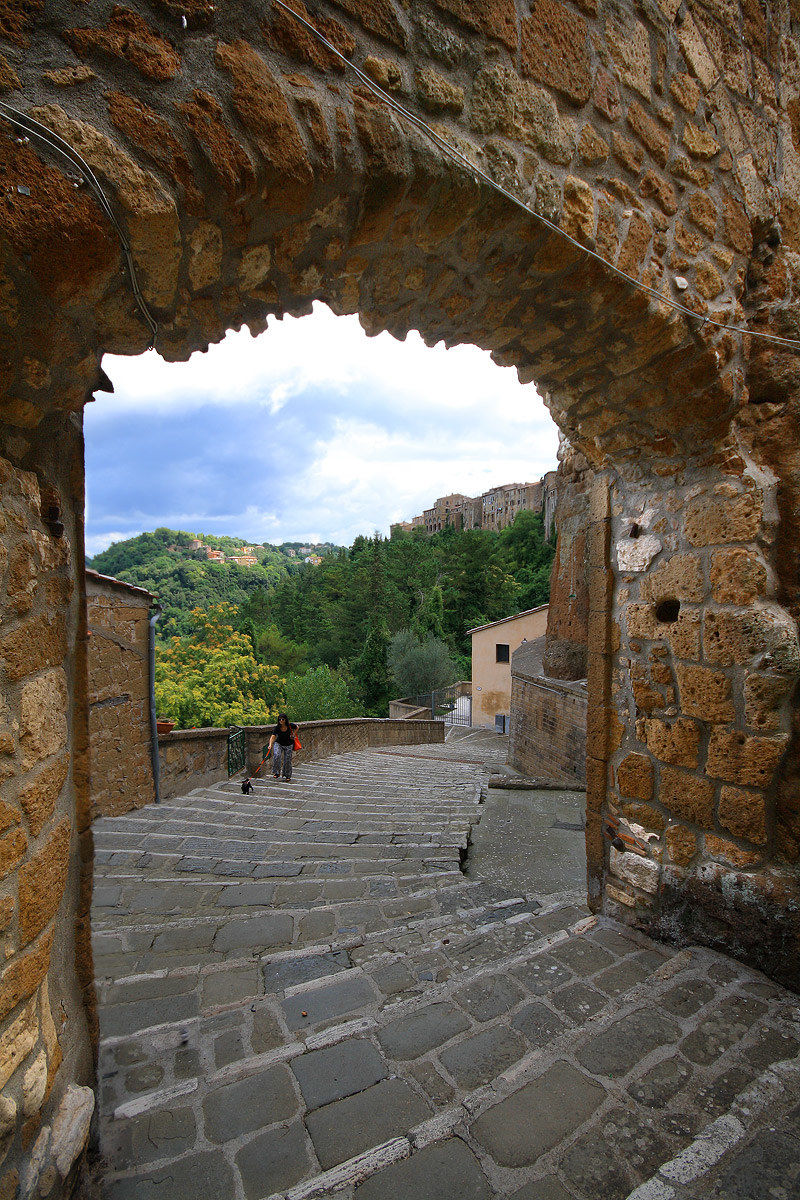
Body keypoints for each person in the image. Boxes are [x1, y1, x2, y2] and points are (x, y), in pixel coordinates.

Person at [268, 713, 299, 782]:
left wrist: (294, 734)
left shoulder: (290, 725)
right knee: (277, 755)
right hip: (279, 743)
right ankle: (277, 772)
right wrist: (270, 744)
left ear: (285, 720)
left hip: (289, 744)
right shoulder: (277, 727)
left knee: (287, 760)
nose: (281, 721)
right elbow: (273, 736)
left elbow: (297, 727)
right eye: (280, 719)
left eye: (282, 719)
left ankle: (287, 775)